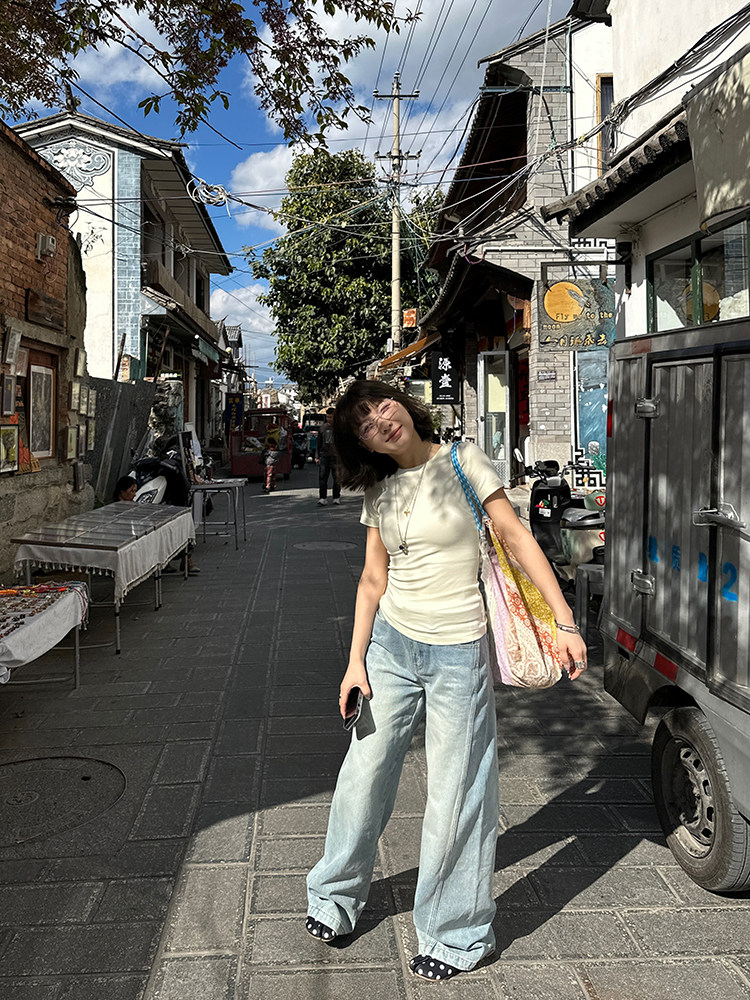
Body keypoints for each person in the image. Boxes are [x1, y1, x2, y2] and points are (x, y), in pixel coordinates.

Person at [306, 380, 587, 981]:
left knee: (457, 792)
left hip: (459, 651)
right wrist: (355, 662)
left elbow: (517, 538)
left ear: (403, 404)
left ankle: (455, 933)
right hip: (390, 647)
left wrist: (564, 620)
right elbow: (372, 580)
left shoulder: (464, 460)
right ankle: (334, 894)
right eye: (365, 423)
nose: (382, 420)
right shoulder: (379, 490)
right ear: (363, 446)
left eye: (382, 405)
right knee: (362, 774)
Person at [316, 407, 341, 506]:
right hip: (324, 456)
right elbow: (319, 443)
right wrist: (317, 456)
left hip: (336, 457)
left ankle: (336, 497)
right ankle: (323, 498)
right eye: (327, 417)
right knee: (322, 477)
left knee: (337, 478)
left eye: (330, 417)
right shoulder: (322, 428)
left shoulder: (340, 428)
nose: (329, 419)